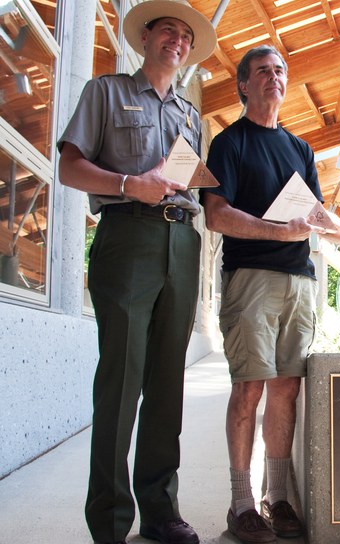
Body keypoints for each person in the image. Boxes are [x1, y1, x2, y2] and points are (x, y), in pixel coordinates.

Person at [201, 45, 340, 544]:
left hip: (300, 283)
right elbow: (215, 215)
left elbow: (317, 219)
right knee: (249, 387)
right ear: (243, 86)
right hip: (250, 278)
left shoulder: (299, 148)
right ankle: (241, 502)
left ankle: (278, 498)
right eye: (262, 72)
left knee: (286, 389)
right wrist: (279, 233)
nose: (273, 78)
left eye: (279, 71)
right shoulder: (228, 144)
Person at [57, 1, 216, 543]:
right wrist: (128, 184)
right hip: (128, 237)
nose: (177, 40)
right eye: (167, 30)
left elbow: (186, 179)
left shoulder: (190, 116)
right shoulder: (106, 91)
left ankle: (160, 509)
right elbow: (68, 166)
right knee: (121, 380)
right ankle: (109, 521)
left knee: (168, 383)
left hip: (181, 240)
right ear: (144, 37)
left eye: (185, 37)